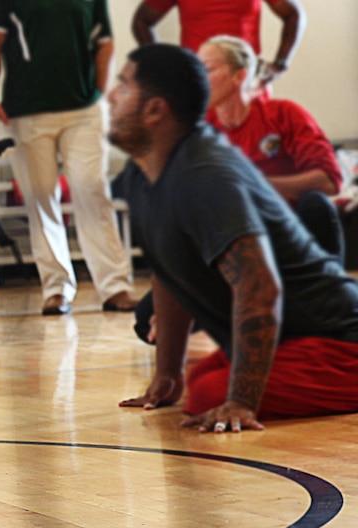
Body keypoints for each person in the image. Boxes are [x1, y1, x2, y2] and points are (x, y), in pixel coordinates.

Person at [108, 43, 358, 433]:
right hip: (294, 341)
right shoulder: (144, 175)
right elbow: (170, 273)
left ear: (156, 110)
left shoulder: (204, 174)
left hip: (339, 343)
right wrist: (168, 374)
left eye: (123, 86)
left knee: (211, 391)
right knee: (201, 381)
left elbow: (259, 287)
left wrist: (241, 402)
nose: (110, 95)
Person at [132, 34, 345, 344]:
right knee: (146, 316)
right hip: (234, 251)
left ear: (239, 76)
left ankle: (329, 308)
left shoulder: (283, 114)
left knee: (317, 206)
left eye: (208, 68)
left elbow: (329, 180)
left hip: (291, 246)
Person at [0, 0, 138, 316]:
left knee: (92, 190)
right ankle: (56, 289)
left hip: (83, 111)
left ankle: (115, 286)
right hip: (26, 112)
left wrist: (101, 98)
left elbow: (104, 44)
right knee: (41, 198)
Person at [131, 0, 306, 87]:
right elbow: (142, 22)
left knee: (255, 154)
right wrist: (161, 68)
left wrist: (280, 64)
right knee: (202, 155)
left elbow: (293, 14)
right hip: (199, 83)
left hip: (247, 82)